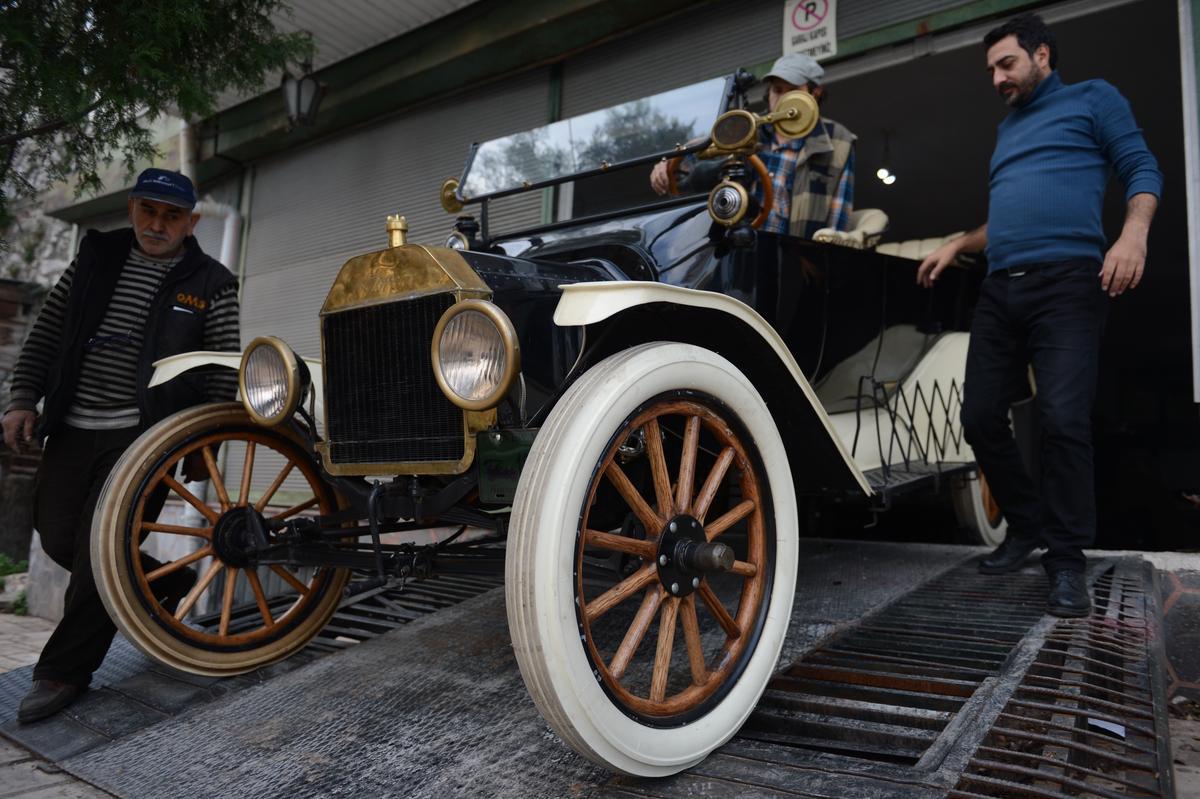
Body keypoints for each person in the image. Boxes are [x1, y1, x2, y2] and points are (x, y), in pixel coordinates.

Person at [917, 13, 1161, 617]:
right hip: (1001, 288)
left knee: (1063, 420)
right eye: (991, 70)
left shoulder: (1092, 98)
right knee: (978, 417)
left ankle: (1067, 559)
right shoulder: (1007, 130)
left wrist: (1133, 235)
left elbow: (1141, 166)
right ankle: (1025, 525)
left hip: (1068, 285)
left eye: (1007, 64)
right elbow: (1008, 214)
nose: (997, 78)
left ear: (1042, 55)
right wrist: (958, 243)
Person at [1, 168, 241, 722]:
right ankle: (165, 578)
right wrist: (22, 398)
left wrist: (203, 446)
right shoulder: (95, 258)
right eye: (148, 211)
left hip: (144, 438)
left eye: (172, 216)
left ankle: (62, 671)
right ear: (132, 208)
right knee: (59, 536)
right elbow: (48, 332)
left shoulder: (212, 282)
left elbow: (221, 369)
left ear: (191, 222)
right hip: (72, 425)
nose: (158, 224)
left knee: (101, 552)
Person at [650, 53, 857, 239]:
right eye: (777, 90)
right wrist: (666, 166)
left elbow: (837, 221)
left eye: (793, 91)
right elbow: (693, 156)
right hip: (738, 251)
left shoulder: (838, 140)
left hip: (794, 259)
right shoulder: (746, 128)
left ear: (815, 93)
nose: (783, 99)